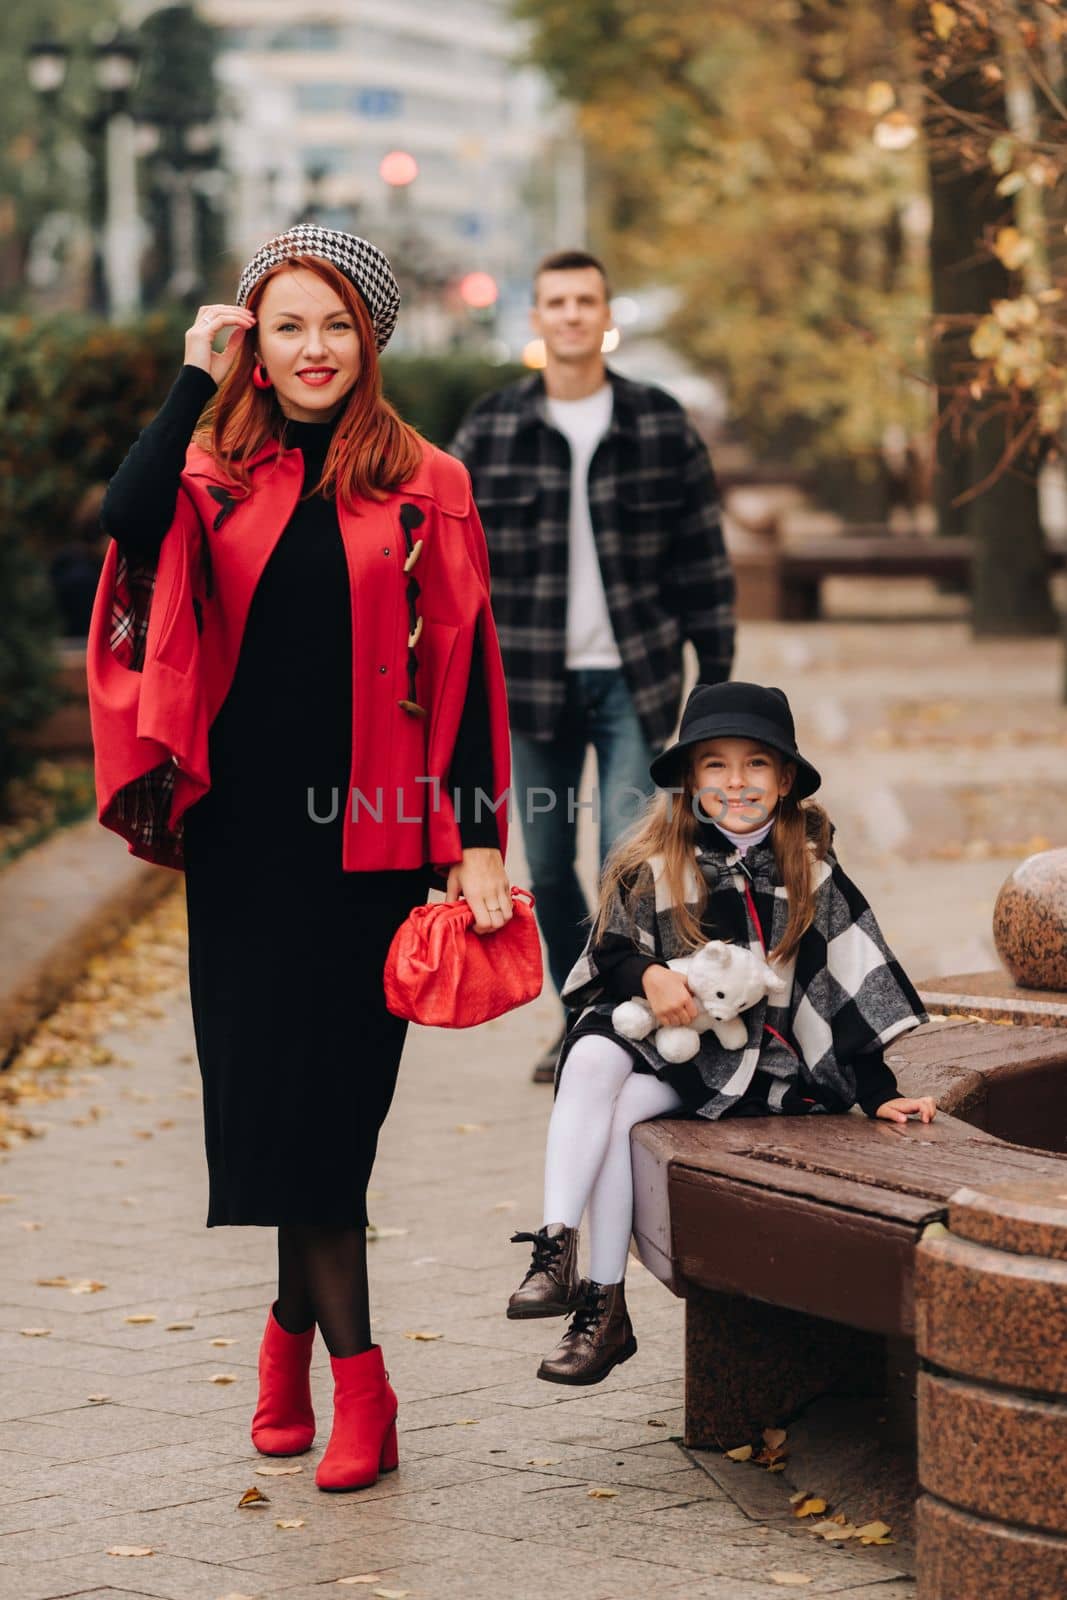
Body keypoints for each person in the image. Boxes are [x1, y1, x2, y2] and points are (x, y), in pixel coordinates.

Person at [87, 226, 512, 1492]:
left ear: (367, 340)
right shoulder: (215, 465)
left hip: (372, 842)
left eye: (334, 325)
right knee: (276, 1106)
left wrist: (478, 835)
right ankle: (328, 1367)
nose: (313, 349)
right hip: (244, 843)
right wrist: (186, 377)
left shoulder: (426, 478)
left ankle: (326, 1366)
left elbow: (469, 666)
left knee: (333, 1119)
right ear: (254, 345)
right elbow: (125, 518)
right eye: (287, 326)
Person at [506, 680, 935, 1385]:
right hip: (658, 1048)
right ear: (689, 779)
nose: (735, 782)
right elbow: (608, 956)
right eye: (714, 764)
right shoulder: (653, 863)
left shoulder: (811, 874)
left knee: (612, 1112)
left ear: (785, 777)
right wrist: (650, 977)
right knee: (586, 1061)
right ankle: (564, 1260)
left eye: (755, 764)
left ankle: (603, 1306)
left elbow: (848, 983)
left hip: (746, 1065)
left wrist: (877, 1090)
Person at [450, 250, 735, 1082]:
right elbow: (451, 562)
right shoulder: (492, 427)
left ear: (603, 318)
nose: (571, 315)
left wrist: (714, 686)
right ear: (536, 319)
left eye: (585, 302)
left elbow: (702, 559)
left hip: (634, 677)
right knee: (544, 864)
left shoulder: (657, 421)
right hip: (527, 679)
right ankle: (579, 1013)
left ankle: (617, 1023)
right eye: (555, 303)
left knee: (625, 859)